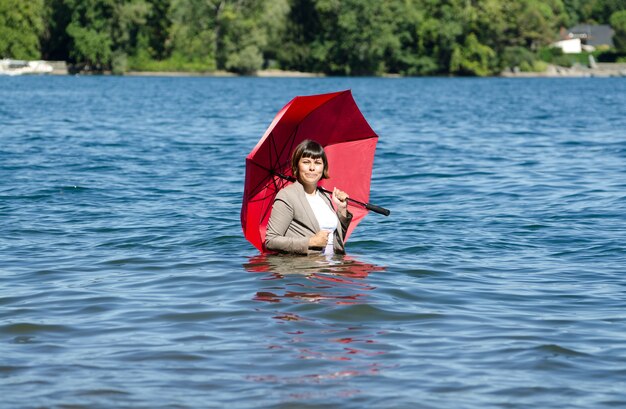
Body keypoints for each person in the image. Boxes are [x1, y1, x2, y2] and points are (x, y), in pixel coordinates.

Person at [265, 139, 352, 255]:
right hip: (303, 268)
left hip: (331, 269)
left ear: (323, 167)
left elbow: (337, 241)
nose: (312, 168)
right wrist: (310, 242)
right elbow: (271, 241)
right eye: (306, 162)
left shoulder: (325, 195)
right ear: (297, 166)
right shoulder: (287, 196)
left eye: (317, 163)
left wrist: (341, 209)